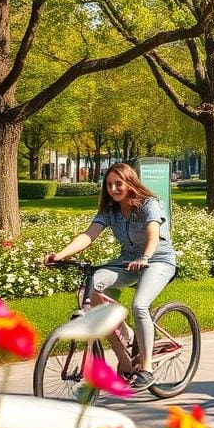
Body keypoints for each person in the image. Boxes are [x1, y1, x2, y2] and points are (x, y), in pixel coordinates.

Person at [43, 162, 177, 390]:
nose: (113, 188)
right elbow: (88, 235)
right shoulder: (110, 210)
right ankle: (125, 348)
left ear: (130, 183)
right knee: (94, 288)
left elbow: (153, 235)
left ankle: (146, 369)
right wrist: (60, 255)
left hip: (157, 261)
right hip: (127, 262)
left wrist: (145, 257)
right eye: (109, 184)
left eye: (118, 183)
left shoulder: (148, 205)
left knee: (139, 306)